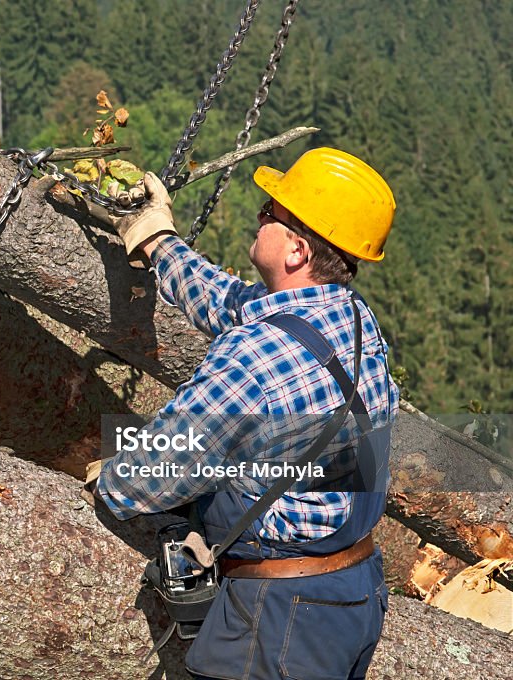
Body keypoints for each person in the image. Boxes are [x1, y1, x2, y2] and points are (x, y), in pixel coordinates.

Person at [91, 148, 399, 680]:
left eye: (269, 213)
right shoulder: (350, 317)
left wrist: (113, 476)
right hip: (356, 591)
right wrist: (157, 239)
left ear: (297, 250)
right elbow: (232, 303)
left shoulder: (254, 361)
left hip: (281, 620)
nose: (259, 215)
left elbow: (157, 472)